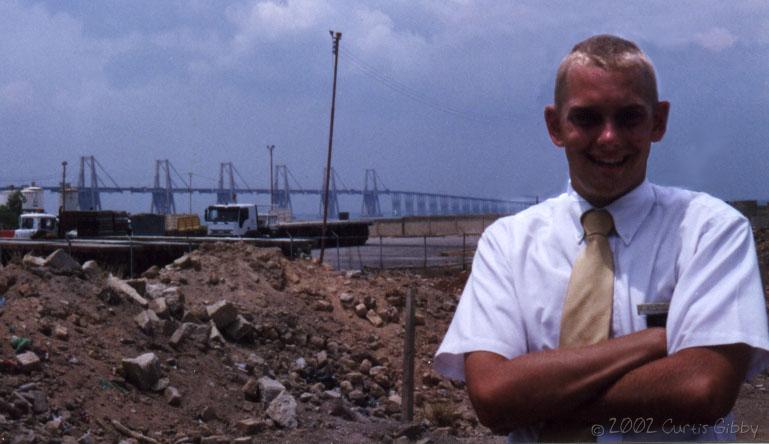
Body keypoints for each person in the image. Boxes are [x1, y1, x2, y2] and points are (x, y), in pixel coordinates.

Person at [434, 34, 769, 442]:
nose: (609, 138)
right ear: (555, 126)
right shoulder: (506, 244)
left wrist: (537, 396)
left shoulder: (711, 231)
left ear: (658, 121)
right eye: (587, 118)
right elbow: (491, 395)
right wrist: (652, 342)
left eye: (628, 117)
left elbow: (702, 390)